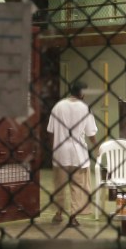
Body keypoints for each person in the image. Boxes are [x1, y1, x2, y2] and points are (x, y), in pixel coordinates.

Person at [46, 80, 98, 227]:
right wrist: (96, 145)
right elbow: (90, 133)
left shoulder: (58, 106)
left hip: (60, 152)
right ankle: (73, 217)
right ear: (82, 94)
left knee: (59, 185)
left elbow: (50, 131)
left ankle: (58, 213)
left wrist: (54, 148)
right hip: (78, 153)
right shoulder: (85, 109)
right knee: (79, 186)